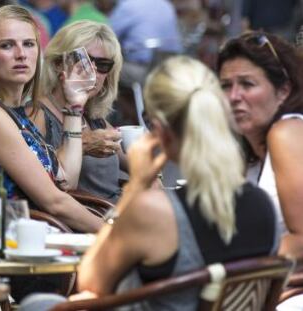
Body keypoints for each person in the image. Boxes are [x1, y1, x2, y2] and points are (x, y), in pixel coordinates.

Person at [20, 56, 279, 311]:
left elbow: (91, 281)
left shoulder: (153, 211)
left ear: (159, 131)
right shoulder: (263, 205)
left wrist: (135, 188)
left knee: (36, 305)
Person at [0, 5, 102, 233]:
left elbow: (66, 180)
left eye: (29, 44)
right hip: (22, 245)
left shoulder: (17, 110)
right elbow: (55, 203)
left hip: (44, 235)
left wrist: (74, 107)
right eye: (7, 45)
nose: (21, 54)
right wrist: (114, 233)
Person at [217, 31, 303, 258]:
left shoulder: (286, 132)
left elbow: (302, 239)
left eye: (247, 84)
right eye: (226, 85)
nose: (234, 96)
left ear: (283, 90)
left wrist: (232, 266)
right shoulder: (249, 150)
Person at [29, 20, 124, 203]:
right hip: (85, 223)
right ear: (58, 64)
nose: (93, 71)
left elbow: (136, 157)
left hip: (118, 214)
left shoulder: (95, 118)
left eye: (103, 65)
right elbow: (33, 174)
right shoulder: (38, 114)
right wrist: (82, 145)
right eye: (84, 61)